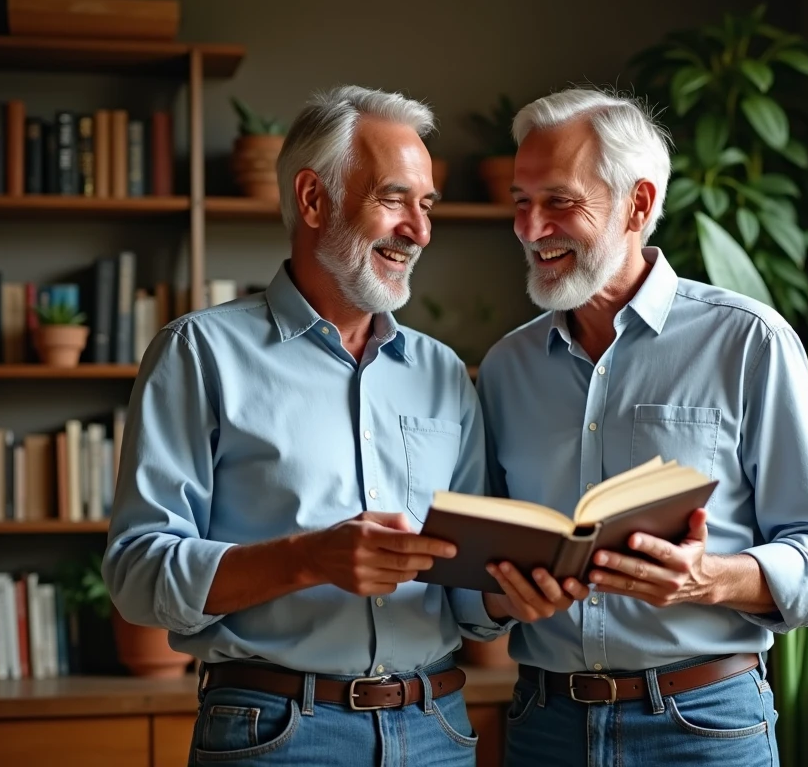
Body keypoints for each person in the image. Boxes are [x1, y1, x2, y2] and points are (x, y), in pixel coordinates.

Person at [102, 85, 547, 767]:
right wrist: (309, 559)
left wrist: (518, 590)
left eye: (426, 207)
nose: (420, 231)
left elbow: (466, 599)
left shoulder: (444, 372)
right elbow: (139, 576)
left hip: (439, 732)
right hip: (274, 734)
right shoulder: (199, 353)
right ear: (313, 200)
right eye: (396, 199)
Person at [474, 87, 808, 766]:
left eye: (560, 202)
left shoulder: (748, 342)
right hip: (544, 723)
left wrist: (708, 578)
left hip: (704, 725)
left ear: (640, 204)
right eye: (520, 201)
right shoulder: (507, 367)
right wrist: (501, 596)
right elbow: (478, 576)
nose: (530, 228)